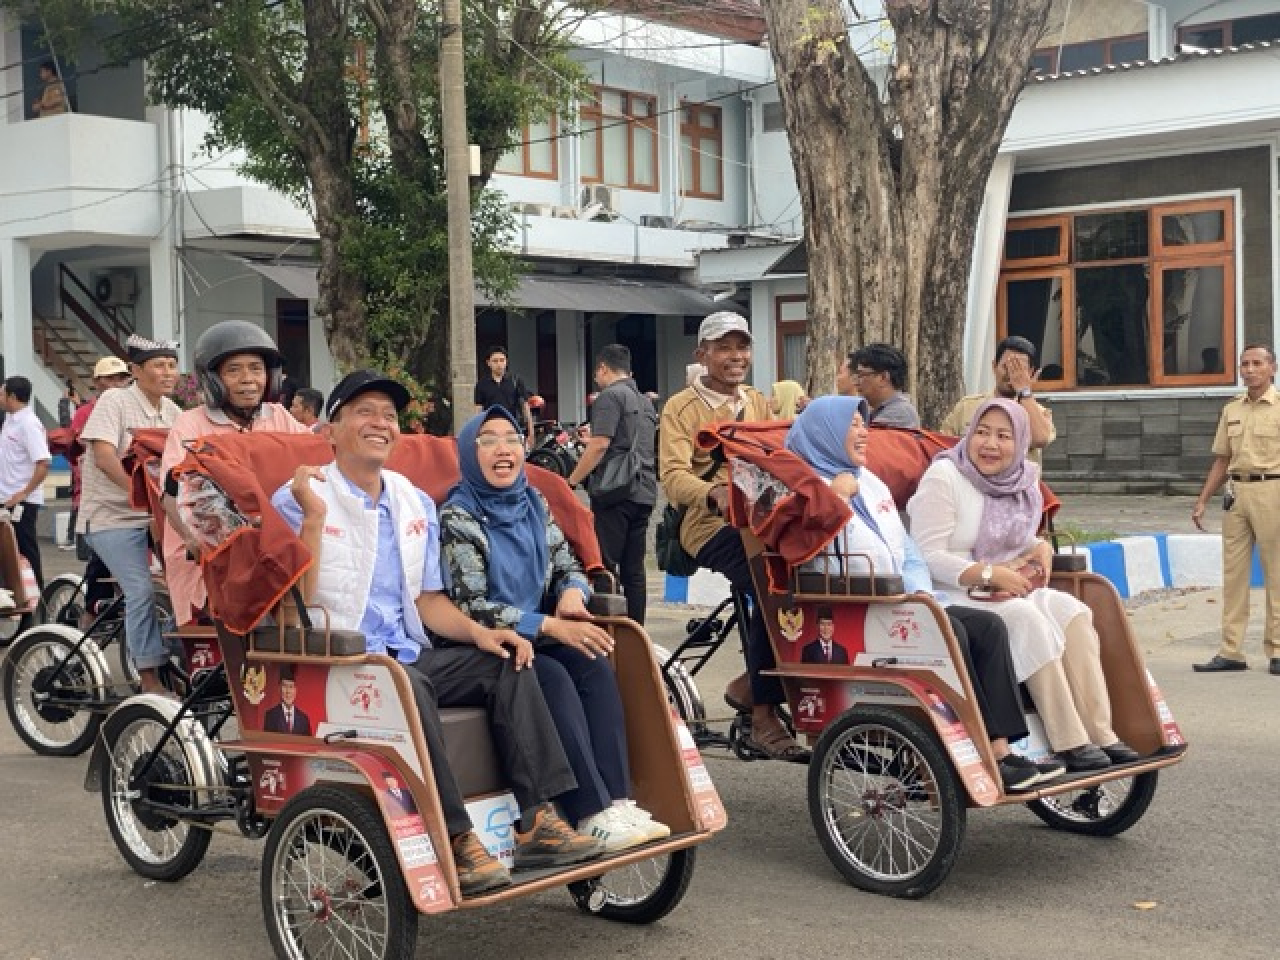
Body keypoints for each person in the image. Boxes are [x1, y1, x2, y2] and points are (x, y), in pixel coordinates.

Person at [272, 371, 601, 894]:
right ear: (330, 430)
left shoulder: (413, 503)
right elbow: (296, 605)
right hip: (336, 660)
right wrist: (313, 519)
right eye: (364, 411)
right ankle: (455, 838)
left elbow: (428, 602)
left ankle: (538, 820)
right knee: (408, 684)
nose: (380, 423)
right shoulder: (300, 497)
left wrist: (480, 634)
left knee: (509, 662)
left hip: (406, 653)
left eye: (389, 415)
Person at [788, 395, 1063, 790]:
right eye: (852, 425)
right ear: (826, 433)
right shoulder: (804, 488)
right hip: (858, 606)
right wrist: (834, 498)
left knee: (988, 628)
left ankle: (1001, 748)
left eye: (865, 424)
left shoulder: (870, 481)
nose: (865, 433)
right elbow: (805, 550)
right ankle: (986, 751)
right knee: (956, 634)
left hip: (903, 598)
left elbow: (910, 550)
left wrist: (919, 592)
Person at [442, 406, 670, 852]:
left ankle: (617, 801)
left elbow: (566, 562)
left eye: (511, 438)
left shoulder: (533, 503)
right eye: (488, 441)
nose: (503, 449)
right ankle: (589, 810)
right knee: (554, 678)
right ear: (471, 455)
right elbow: (473, 605)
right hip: (490, 642)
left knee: (594, 661)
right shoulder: (457, 517)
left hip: (542, 631)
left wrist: (572, 592)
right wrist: (547, 624)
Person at [907, 398, 1140, 772]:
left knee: (1074, 612)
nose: (990, 445)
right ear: (967, 435)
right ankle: (1070, 740)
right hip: (952, 591)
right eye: (981, 433)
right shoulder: (945, 477)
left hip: (1005, 582)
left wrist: (1039, 546)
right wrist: (987, 574)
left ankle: (1100, 732)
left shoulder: (1021, 480)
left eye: (1003, 436)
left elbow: (1014, 535)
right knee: (1024, 618)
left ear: (1019, 443)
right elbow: (927, 554)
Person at [659, 310, 807, 762]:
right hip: (708, 526)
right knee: (766, 583)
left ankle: (754, 684)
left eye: (742, 346)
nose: (735, 356)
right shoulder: (681, 407)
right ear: (702, 354)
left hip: (760, 522)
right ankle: (762, 711)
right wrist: (714, 494)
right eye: (723, 347)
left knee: (809, 578)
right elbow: (671, 475)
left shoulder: (759, 403)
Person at [160, 321, 309, 625]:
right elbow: (172, 493)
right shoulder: (191, 424)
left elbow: (314, 459)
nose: (248, 380)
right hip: (213, 551)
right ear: (213, 380)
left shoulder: (280, 417)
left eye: (256, 368)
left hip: (274, 546)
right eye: (234, 371)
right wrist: (193, 539)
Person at [79, 337, 182, 693]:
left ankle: (186, 665)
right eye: (158, 364)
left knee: (188, 585)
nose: (167, 372)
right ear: (135, 371)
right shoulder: (114, 401)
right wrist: (141, 495)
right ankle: (148, 675)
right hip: (111, 518)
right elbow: (105, 457)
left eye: (172, 364)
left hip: (156, 516)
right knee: (140, 591)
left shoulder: (172, 411)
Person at [1192, 344, 1280, 675]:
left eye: (1258, 363)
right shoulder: (1232, 410)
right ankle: (1231, 650)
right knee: (1234, 574)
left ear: (1272, 368)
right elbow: (1222, 459)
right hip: (1237, 493)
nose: (1250, 369)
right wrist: (1202, 499)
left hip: (1273, 489)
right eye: (1244, 364)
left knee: (1276, 572)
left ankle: (1277, 650)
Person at [566, 345, 658, 624]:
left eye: (597, 374)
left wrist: (571, 480)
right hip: (644, 491)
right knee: (634, 569)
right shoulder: (645, 402)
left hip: (616, 491)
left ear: (603, 368)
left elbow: (600, 445)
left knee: (603, 564)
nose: (597, 379)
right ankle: (636, 631)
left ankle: (607, 628)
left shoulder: (609, 396)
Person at [939, 335, 1055, 465]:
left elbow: (1040, 439)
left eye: (1019, 369)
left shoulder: (1039, 413)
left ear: (1031, 372)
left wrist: (1024, 390)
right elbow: (943, 445)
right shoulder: (967, 406)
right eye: (1006, 367)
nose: (1011, 374)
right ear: (994, 366)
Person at [0, 377, 52, 588]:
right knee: (9, 554)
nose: (0, 398)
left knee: (25, 550)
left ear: (12, 396)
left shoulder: (29, 423)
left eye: (2, 394)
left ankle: (37, 602)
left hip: (21, 501)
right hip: (6, 497)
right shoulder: (10, 420)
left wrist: (24, 493)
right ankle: (16, 598)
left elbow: (43, 462)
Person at [474, 345, 535, 452]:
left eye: (502, 360)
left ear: (506, 362)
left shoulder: (516, 381)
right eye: (495, 361)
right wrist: (476, 431)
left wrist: (531, 431)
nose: (499, 364)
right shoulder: (482, 385)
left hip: (512, 428)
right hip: (490, 430)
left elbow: (525, 407)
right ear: (488, 363)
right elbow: (478, 411)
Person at [849, 344, 920, 428]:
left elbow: (869, 439)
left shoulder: (898, 413)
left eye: (861, 375)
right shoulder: (880, 410)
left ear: (883, 378)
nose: (856, 383)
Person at [262, 668, 311, 735]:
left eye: (291, 687)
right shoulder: (270, 716)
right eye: (285, 686)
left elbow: (308, 743)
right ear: (279, 689)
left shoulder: (303, 719)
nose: (288, 691)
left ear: (295, 690)